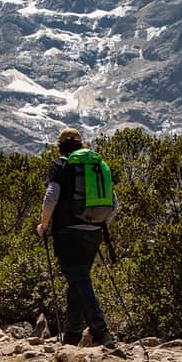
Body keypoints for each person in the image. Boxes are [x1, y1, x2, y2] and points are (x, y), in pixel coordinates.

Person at [37, 127, 116, 347]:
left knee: (78, 278)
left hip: (68, 231)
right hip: (95, 233)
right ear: (81, 145)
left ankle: (100, 330)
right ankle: (72, 336)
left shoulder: (60, 165)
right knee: (77, 281)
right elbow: (114, 203)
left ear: (59, 146)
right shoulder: (97, 166)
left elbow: (51, 196)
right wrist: (98, 223)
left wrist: (43, 225)